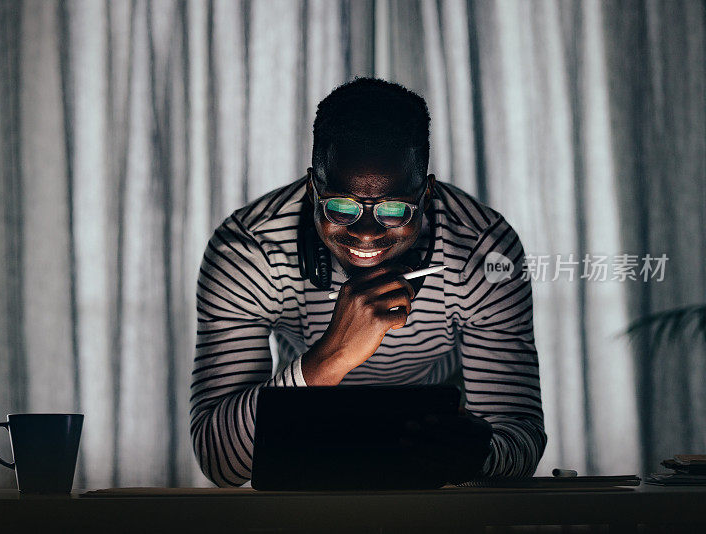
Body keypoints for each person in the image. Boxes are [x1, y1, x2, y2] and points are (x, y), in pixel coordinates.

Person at [190, 77, 546, 487]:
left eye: (395, 209)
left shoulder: (483, 250)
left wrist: (479, 455)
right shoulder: (248, 248)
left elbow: (520, 434)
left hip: (439, 457)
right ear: (312, 189)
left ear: (426, 195)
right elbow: (220, 462)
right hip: (308, 441)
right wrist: (332, 356)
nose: (366, 233)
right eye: (341, 206)